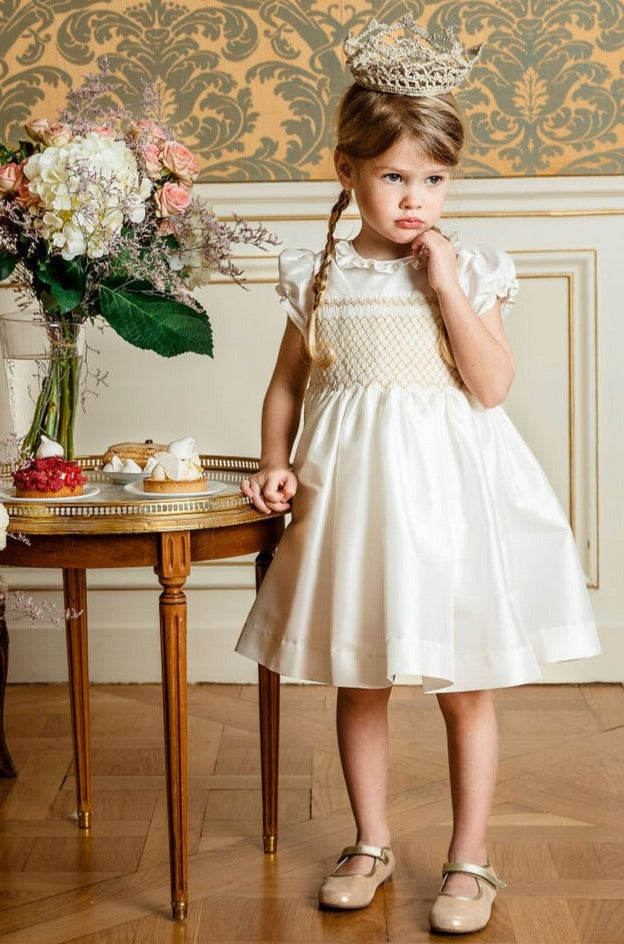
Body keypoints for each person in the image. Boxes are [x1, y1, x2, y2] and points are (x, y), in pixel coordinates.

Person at [236, 15, 601, 935]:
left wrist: (443, 284)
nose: (414, 199)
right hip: (352, 501)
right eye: (394, 176)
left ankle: (470, 859)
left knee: (461, 680)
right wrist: (276, 464)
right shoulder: (317, 274)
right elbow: (288, 384)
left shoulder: (470, 266)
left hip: (451, 501)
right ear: (346, 170)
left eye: (433, 180)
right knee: (362, 677)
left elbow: (490, 386)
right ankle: (370, 840)